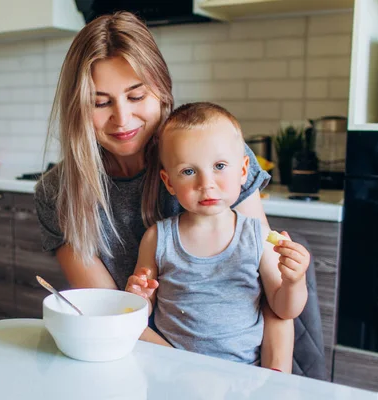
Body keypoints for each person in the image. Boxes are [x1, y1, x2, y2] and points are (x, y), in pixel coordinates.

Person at [34, 11, 294, 371]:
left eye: (136, 96)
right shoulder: (58, 193)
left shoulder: (214, 155)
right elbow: (117, 315)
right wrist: (196, 378)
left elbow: (269, 293)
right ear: (79, 107)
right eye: (101, 102)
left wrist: (274, 382)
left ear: (161, 90)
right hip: (151, 366)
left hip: (253, 363)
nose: (122, 119)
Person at [125, 102, 310, 366]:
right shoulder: (157, 239)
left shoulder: (257, 236)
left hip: (243, 381)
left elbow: (284, 309)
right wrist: (137, 299)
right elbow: (142, 313)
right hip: (173, 376)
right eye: (188, 171)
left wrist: (294, 281)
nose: (206, 184)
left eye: (220, 166)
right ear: (169, 182)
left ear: (244, 170)